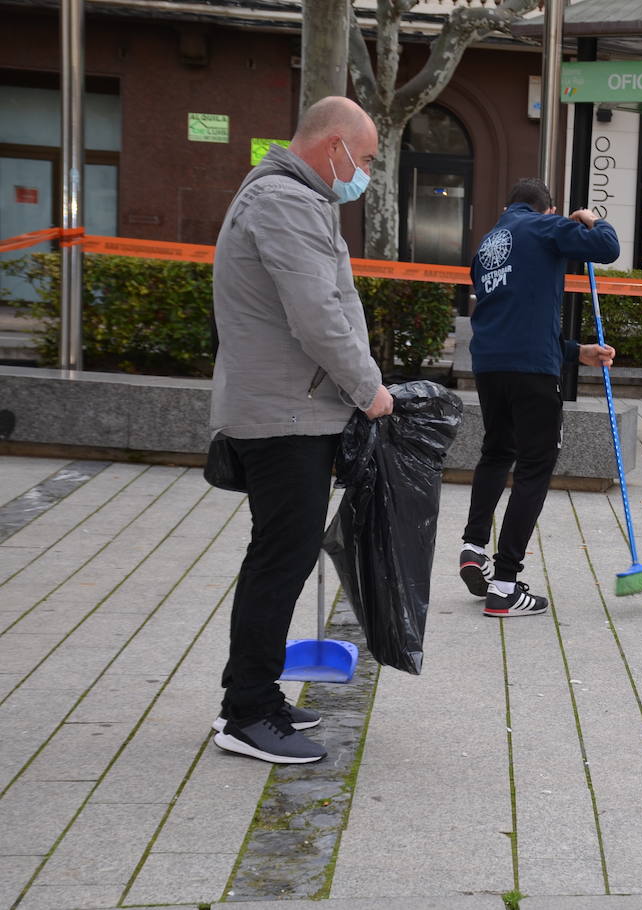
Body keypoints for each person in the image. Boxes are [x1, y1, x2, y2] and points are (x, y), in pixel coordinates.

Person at [209, 96, 391, 764]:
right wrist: (368, 391)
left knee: (279, 558)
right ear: (333, 145)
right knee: (279, 561)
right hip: (286, 417)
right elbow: (317, 316)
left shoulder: (286, 196)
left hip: (287, 409)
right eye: (365, 158)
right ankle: (246, 712)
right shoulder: (286, 203)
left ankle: (255, 695)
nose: (365, 172)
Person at [459, 178, 619, 617]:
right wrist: (589, 219)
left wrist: (577, 352)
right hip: (531, 371)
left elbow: (516, 317)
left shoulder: (491, 244)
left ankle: (474, 547)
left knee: (496, 452)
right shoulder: (543, 228)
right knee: (535, 465)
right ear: (547, 210)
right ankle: (506, 584)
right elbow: (606, 246)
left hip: (491, 367)